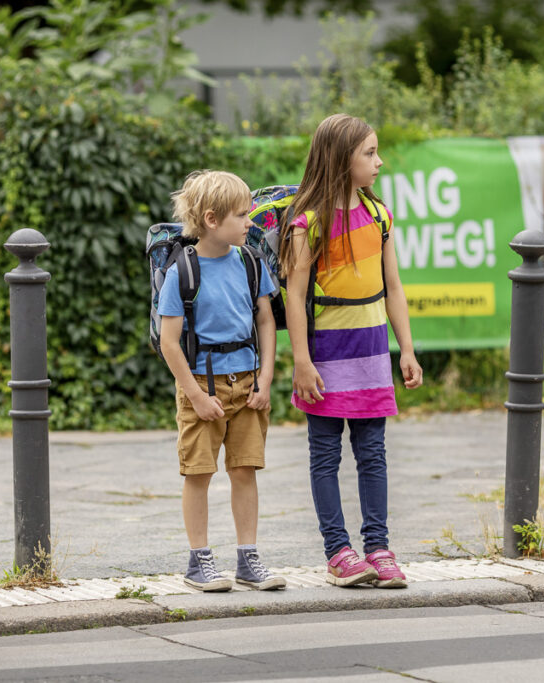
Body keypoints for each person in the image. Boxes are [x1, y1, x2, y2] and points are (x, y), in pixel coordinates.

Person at [277, 113, 423, 588]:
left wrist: (407, 349)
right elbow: (293, 295)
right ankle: (338, 551)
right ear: (343, 160)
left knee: (373, 452)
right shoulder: (308, 222)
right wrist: (301, 360)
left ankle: (378, 548)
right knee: (325, 454)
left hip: (371, 353)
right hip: (324, 356)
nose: (379, 162)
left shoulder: (379, 216)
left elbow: (394, 287)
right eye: (370, 153)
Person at [158, 170, 286, 592]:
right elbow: (170, 343)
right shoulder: (182, 272)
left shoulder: (250, 261)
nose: (250, 222)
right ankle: (199, 562)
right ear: (212, 219)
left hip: (248, 385)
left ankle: (248, 560)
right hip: (202, 385)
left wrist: (265, 378)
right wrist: (195, 396)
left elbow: (265, 319)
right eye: (241, 215)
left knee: (245, 469)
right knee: (198, 473)